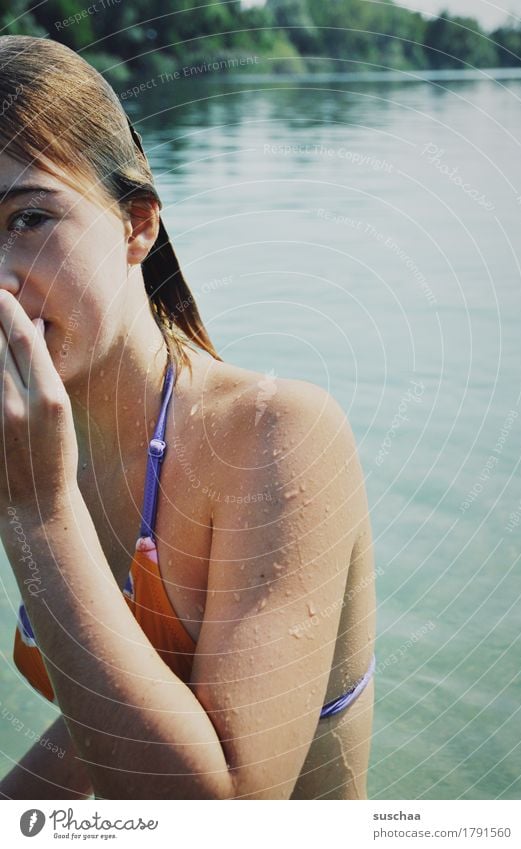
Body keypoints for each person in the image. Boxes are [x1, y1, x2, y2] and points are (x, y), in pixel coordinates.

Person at [0, 35, 376, 800]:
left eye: (28, 218)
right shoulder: (29, 435)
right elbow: (99, 725)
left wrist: (39, 511)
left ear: (137, 225)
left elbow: (223, 808)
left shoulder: (279, 436)